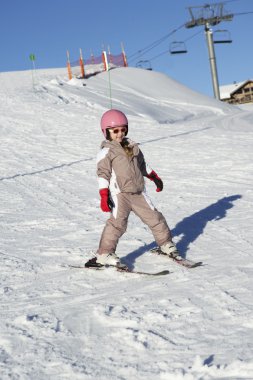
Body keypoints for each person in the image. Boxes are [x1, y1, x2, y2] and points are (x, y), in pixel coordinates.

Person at [95, 109, 179, 267]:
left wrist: (154, 177)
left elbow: (142, 165)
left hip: (138, 192)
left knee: (155, 218)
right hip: (120, 194)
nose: (119, 134)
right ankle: (104, 253)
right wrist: (104, 195)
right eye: (115, 131)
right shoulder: (106, 152)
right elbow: (102, 174)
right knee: (117, 224)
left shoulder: (132, 147)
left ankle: (166, 244)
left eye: (122, 130)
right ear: (106, 132)